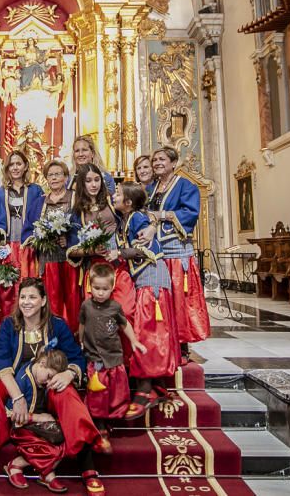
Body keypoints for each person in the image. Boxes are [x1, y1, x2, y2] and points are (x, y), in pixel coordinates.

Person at [0, 279, 104, 496]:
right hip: (14, 385)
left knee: (69, 395)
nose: (26, 302)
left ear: (43, 300)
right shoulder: (9, 325)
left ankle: (88, 469)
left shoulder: (57, 325)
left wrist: (68, 373)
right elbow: (1, 362)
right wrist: (17, 397)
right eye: (23, 297)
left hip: (47, 387)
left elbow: (77, 357)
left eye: (32, 297)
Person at [111, 182, 178, 418]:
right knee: (144, 330)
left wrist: (117, 253)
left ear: (128, 203)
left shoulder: (138, 218)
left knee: (149, 332)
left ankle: (147, 389)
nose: (113, 195)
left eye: (117, 194)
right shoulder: (127, 219)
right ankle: (152, 382)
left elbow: (142, 249)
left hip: (152, 280)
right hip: (144, 279)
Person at [147, 147, 211, 356]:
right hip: (155, 249)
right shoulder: (152, 188)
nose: (157, 162)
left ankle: (182, 342)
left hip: (176, 250)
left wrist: (161, 215)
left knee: (178, 297)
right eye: (155, 159)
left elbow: (190, 212)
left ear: (173, 163)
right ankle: (163, 339)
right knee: (161, 296)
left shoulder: (185, 185)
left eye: (162, 159)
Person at [79, 263, 147, 452]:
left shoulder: (115, 307)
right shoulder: (86, 306)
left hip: (114, 357)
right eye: (97, 288)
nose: (100, 293)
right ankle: (99, 423)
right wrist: (82, 341)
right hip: (95, 359)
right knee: (97, 392)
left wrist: (133, 341)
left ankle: (113, 415)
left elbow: (125, 325)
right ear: (90, 287)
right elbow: (82, 324)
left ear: (112, 288)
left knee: (116, 389)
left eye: (105, 289)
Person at [66, 164, 135, 318]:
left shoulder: (112, 201)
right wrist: (92, 250)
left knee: (126, 310)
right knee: (98, 315)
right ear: (82, 184)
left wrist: (151, 225)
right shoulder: (77, 213)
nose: (94, 184)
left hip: (119, 264)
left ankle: (123, 343)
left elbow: (135, 209)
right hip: (95, 269)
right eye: (89, 181)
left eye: (97, 180)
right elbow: (71, 250)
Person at [4, 348, 72, 492]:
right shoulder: (22, 380)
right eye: (48, 376)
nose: (48, 383)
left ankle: (35, 470)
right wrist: (39, 418)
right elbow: (10, 414)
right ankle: (29, 468)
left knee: (69, 439)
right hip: (22, 427)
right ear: (42, 363)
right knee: (51, 449)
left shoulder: (40, 375)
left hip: (39, 425)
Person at [23, 159, 79, 331]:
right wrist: (39, 239)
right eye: (50, 175)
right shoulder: (40, 202)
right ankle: (52, 335)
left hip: (71, 260)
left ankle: (73, 336)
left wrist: (69, 241)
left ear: (65, 177)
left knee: (72, 300)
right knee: (51, 299)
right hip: (48, 261)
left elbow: (83, 225)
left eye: (58, 174)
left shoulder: (75, 198)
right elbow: (27, 229)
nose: (54, 178)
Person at [0, 150, 43, 313]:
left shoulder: (36, 190)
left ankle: (30, 319)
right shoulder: (0, 192)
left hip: (28, 245)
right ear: (7, 168)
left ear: (25, 166)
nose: (15, 168)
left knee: (28, 281)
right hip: (7, 245)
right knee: (7, 285)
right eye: (11, 164)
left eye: (18, 164)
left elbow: (41, 216)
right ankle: (9, 321)